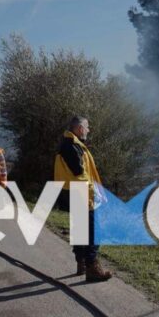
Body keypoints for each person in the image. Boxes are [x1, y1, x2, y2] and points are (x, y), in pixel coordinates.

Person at [54, 116, 113, 282]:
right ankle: (92, 268)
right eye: (87, 127)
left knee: (80, 229)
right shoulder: (71, 146)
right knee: (95, 230)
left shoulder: (69, 144)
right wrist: (94, 190)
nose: (89, 130)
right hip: (80, 192)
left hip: (73, 191)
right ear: (79, 128)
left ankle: (81, 263)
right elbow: (80, 173)